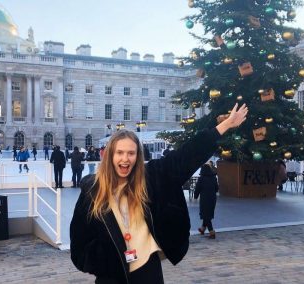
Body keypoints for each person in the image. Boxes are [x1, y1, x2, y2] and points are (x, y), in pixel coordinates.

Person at [70, 103, 247, 283]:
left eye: (131, 153)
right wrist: (108, 260)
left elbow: (186, 156)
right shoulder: (93, 191)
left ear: (138, 156)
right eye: (120, 153)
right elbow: (79, 246)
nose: (125, 159)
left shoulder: (151, 177)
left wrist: (224, 126)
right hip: (112, 277)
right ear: (110, 156)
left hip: (148, 270)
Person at [194, 163, 219, 239]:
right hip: (212, 198)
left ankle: (212, 232)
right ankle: (202, 229)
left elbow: (197, 188)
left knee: (206, 215)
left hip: (205, 199)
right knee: (208, 214)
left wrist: (195, 196)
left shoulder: (201, 178)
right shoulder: (214, 178)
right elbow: (217, 189)